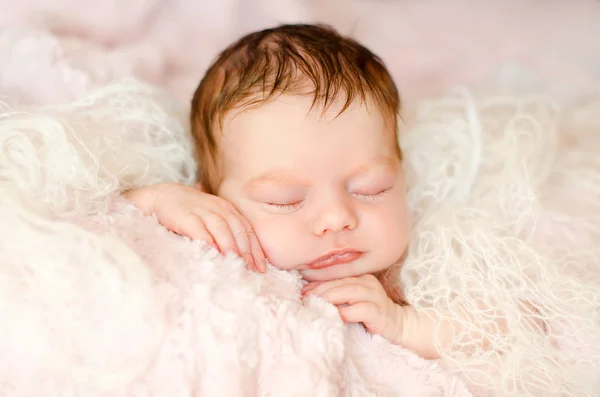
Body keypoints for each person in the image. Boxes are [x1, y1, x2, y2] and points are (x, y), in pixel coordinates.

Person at [125, 23, 447, 359]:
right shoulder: (213, 238)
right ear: (214, 200)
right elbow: (101, 224)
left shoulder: (421, 267)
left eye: (371, 189)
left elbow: (490, 333)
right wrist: (159, 200)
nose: (336, 218)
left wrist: (405, 325)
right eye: (285, 200)